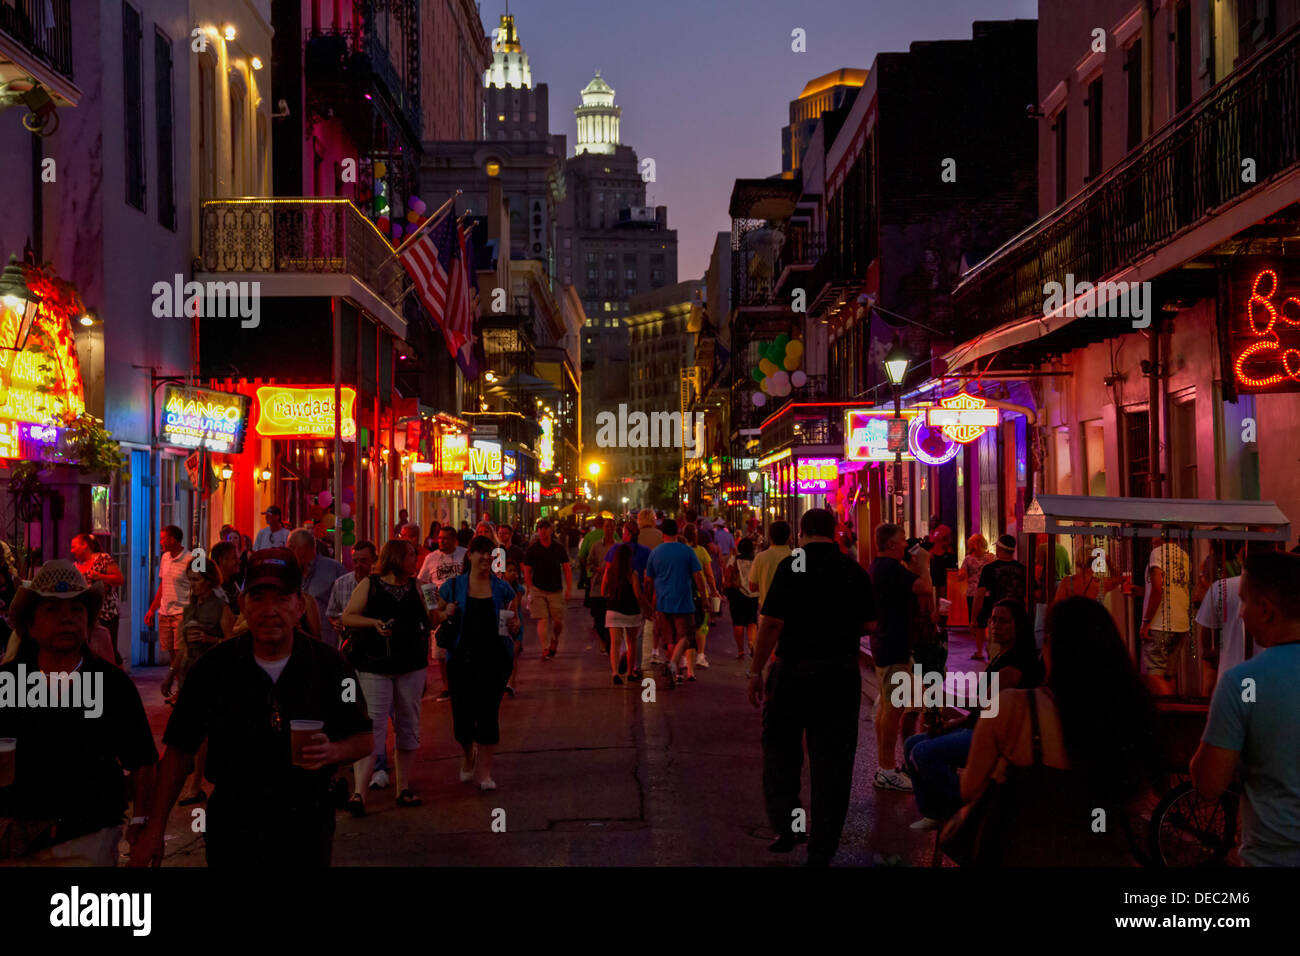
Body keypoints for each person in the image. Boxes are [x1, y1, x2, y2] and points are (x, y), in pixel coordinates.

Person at [131, 549, 374, 868]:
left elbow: (364, 739)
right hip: (233, 826)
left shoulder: (330, 667)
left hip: (306, 825)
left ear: (299, 606)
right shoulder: (213, 669)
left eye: (282, 598)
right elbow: (178, 751)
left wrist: (333, 751)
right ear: (243, 604)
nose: (269, 610)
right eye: (258, 598)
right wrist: (154, 827)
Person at [954, 596, 1158, 865]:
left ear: (1052, 647)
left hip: (1027, 852)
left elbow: (970, 788)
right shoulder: (1128, 708)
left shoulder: (1012, 708)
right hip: (1102, 853)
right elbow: (1135, 800)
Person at [0, 562, 158, 866]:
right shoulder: (8, 682)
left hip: (88, 839)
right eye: (53, 610)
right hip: (15, 841)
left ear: (88, 622)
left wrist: (142, 822)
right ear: (31, 626)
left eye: (76, 610)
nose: (67, 619)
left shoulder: (111, 684)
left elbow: (143, 761)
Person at [748, 509, 874, 866]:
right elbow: (870, 623)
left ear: (801, 532)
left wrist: (756, 671)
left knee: (781, 752)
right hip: (839, 674)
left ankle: (789, 827)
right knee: (833, 762)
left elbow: (772, 622)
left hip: (793, 672)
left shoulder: (794, 565)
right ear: (834, 532)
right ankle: (822, 849)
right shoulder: (852, 569)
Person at [1191, 551, 1300, 865]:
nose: (1240, 614)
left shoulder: (1241, 683)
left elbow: (1208, 784)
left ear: (1266, 609)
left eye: (1244, 602)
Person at [903, 599, 1040, 830]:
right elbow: (980, 710)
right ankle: (934, 812)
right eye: (993, 619)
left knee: (924, 752)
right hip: (981, 727)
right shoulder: (1001, 656)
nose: (996, 625)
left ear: (1018, 626)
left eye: (1003, 621)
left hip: (997, 738)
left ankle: (968, 813)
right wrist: (955, 722)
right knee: (911, 744)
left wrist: (949, 705)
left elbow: (988, 708)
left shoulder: (1015, 663)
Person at [339, 539, 434, 813]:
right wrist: (373, 624)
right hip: (374, 665)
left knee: (408, 725)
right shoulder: (371, 584)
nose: (414, 560)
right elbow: (348, 616)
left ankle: (402, 787)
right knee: (373, 727)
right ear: (396, 558)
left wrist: (444, 611)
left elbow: (432, 617)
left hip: (411, 665)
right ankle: (360, 793)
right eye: (410, 556)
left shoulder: (418, 586)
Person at [433, 535, 521, 791]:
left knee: (488, 716)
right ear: (469, 556)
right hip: (461, 660)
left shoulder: (502, 588)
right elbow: (434, 616)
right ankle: (467, 751)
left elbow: (514, 623)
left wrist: (515, 626)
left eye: (488, 553)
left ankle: (485, 773)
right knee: (462, 720)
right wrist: (445, 612)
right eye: (479, 553)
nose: (484, 557)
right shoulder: (453, 586)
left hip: (494, 660)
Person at [173, 556, 236, 806]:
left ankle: (200, 782)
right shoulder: (189, 607)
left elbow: (232, 643)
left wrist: (210, 640)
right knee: (191, 731)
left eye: (197, 580)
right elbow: (182, 646)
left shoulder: (221, 607)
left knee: (208, 732)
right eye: (190, 580)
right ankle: (195, 781)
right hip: (189, 672)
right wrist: (171, 673)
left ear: (209, 581)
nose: (193, 585)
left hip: (214, 673)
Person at [867, 523, 926, 791]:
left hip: (885, 643)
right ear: (891, 544)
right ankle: (887, 769)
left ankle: (885, 766)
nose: (906, 544)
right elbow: (923, 588)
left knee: (886, 708)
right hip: (894, 645)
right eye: (902, 540)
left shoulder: (880, 568)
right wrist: (923, 563)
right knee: (894, 708)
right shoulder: (890, 569)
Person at [644, 519, 709, 685]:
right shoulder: (686, 551)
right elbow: (698, 576)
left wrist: (648, 603)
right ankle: (673, 665)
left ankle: (675, 673)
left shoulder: (655, 552)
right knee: (686, 637)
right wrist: (704, 597)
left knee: (670, 640)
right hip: (683, 600)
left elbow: (649, 580)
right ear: (677, 532)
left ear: (662, 534)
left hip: (663, 602)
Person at [418, 527, 467, 701]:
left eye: (445, 538)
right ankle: (447, 686)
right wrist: (432, 605)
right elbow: (424, 581)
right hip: (440, 607)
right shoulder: (431, 558)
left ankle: (463, 684)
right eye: (439, 538)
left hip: (462, 606)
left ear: (454, 539)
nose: (441, 541)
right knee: (440, 650)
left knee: (463, 647)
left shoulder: (465, 554)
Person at [1140, 536, 1193, 697]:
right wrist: (1140, 591)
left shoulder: (1157, 553)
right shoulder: (1183, 555)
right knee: (1169, 675)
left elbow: (1158, 588)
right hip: (1180, 623)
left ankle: (1165, 718)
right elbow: (1173, 588)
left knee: (1154, 674)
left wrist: (1146, 622)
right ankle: (1173, 716)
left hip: (1159, 623)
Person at [146, 525, 191, 698]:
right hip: (165, 612)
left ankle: (182, 690)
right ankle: (180, 688)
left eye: (163, 538)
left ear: (173, 539)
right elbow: (163, 585)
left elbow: (202, 583)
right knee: (172, 654)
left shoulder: (192, 557)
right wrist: (152, 609)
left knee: (181, 654)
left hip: (182, 612)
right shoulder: (165, 558)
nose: (161, 542)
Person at [70, 533, 125, 666]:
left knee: (110, 649)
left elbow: (119, 579)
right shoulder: (75, 566)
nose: (72, 550)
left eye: (74, 546)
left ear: (85, 545)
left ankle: (118, 680)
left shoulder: (103, 559)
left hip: (106, 612)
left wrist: (101, 576)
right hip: (86, 614)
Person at [288, 529, 345, 651]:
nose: (289, 552)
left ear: (307, 548)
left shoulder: (333, 569)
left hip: (327, 643)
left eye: (292, 547)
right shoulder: (288, 570)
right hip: (295, 646)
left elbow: (347, 604)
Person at [523, 518, 572, 662]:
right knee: (542, 619)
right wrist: (530, 588)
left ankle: (555, 639)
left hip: (555, 589)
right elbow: (527, 570)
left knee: (558, 621)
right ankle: (545, 648)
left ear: (550, 530)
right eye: (540, 529)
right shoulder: (533, 549)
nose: (543, 531)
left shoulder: (558, 548)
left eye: (545, 528)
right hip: (538, 589)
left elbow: (567, 568)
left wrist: (569, 588)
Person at [603, 529, 648, 686]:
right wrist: (646, 607)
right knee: (631, 642)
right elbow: (637, 594)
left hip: (613, 608)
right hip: (630, 610)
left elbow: (604, 590)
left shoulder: (610, 572)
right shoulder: (632, 573)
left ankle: (615, 672)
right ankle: (630, 672)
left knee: (614, 643)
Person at [970, 534, 1028, 643]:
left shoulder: (989, 569)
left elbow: (979, 596)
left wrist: (974, 619)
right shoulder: (1022, 569)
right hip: (1019, 617)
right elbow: (1034, 594)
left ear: (999, 549)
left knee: (998, 652)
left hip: (998, 617)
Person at [682, 522, 719, 667]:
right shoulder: (701, 551)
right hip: (700, 590)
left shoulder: (681, 550)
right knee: (701, 625)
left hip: (684, 591)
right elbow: (709, 575)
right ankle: (700, 656)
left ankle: (685, 657)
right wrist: (714, 590)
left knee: (685, 626)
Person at [584, 519, 617, 655]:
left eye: (611, 527)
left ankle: (609, 643)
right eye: (606, 527)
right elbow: (588, 562)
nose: (609, 529)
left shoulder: (618, 546)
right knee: (598, 617)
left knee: (611, 618)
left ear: (615, 529)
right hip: (598, 587)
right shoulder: (596, 546)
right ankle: (604, 641)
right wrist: (596, 569)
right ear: (603, 528)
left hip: (613, 587)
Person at [958, 534, 994, 660]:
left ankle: (980, 650)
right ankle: (989, 649)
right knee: (987, 621)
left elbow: (961, 575)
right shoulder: (990, 558)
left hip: (975, 593)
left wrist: (961, 574)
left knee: (979, 623)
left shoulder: (969, 559)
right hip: (987, 593)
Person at [726, 537, 760, 660]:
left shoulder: (734, 559)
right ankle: (752, 643)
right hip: (753, 593)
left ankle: (740, 650)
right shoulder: (756, 560)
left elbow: (728, 575)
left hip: (737, 593)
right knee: (752, 620)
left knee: (738, 622)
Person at [748, 520, 793, 611]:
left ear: (770, 537)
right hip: (791, 610)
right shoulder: (797, 557)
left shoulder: (761, 557)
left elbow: (752, 586)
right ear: (789, 537)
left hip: (767, 609)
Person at [502, 559, 526, 696]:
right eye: (509, 570)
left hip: (515, 621)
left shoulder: (518, 589)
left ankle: (511, 682)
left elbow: (514, 606)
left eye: (514, 571)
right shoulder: (497, 586)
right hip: (502, 621)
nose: (512, 573)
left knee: (513, 653)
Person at [210, 541, 242, 612]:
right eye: (234, 558)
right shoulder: (212, 591)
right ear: (221, 560)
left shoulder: (233, 584)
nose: (239, 561)